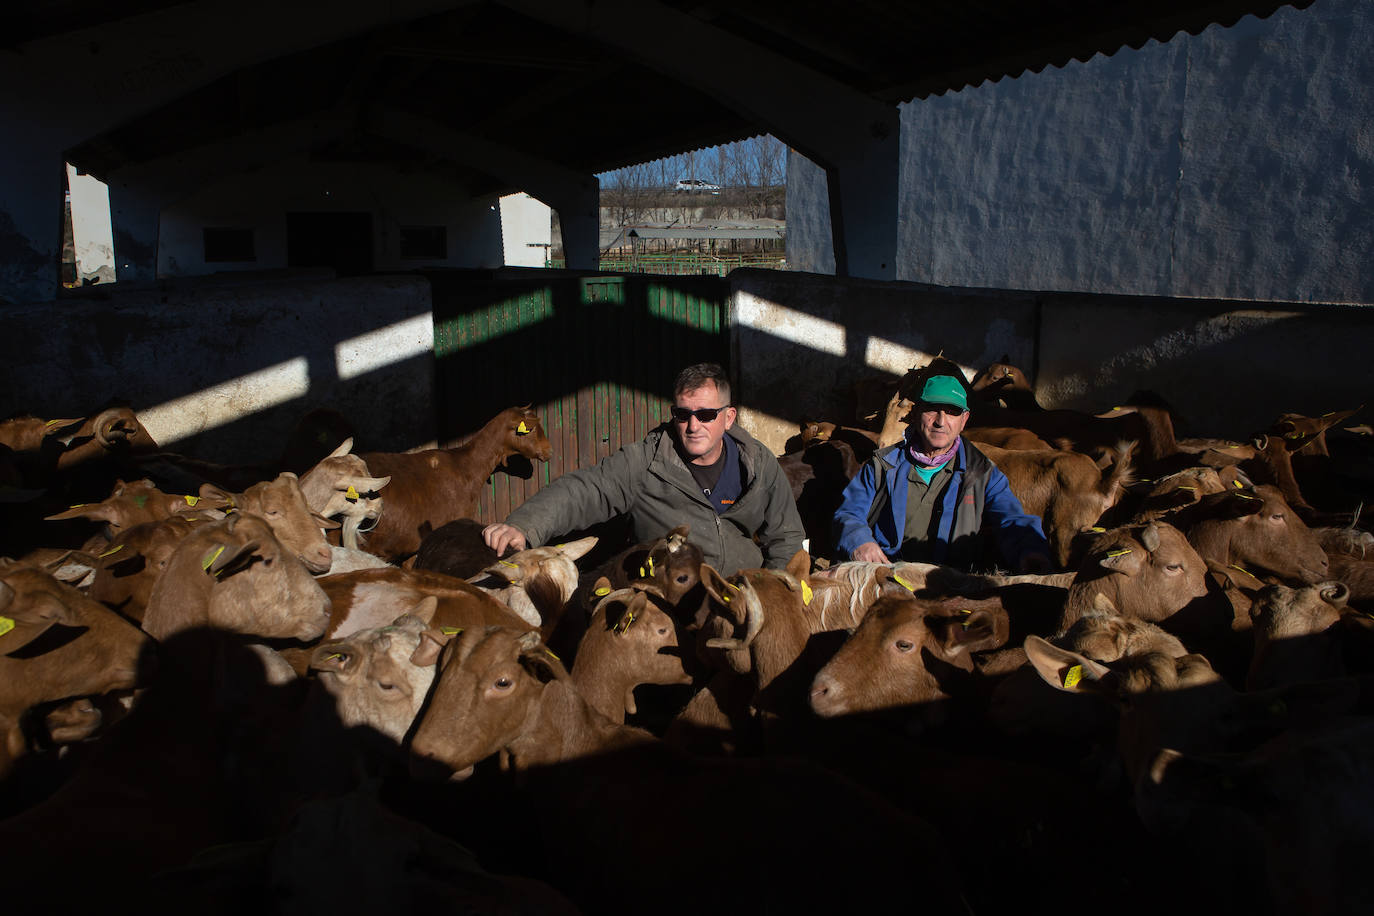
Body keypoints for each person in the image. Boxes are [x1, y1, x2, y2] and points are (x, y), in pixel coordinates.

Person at [483, 363, 805, 575]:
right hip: (668, 602)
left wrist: (771, 590)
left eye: (706, 415)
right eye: (682, 415)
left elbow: (786, 535)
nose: (693, 426)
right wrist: (524, 526)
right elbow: (585, 489)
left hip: (740, 591)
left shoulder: (757, 463)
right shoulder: (645, 463)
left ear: (729, 417)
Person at [832, 374, 1050, 572]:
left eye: (952, 412)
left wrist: (1030, 550)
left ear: (964, 420)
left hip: (950, 583)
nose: (940, 421)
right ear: (916, 414)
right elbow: (848, 513)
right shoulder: (882, 465)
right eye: (932, 409)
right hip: (888, 577)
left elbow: (1012, 519)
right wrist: (859, 541)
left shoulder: (981, 472)